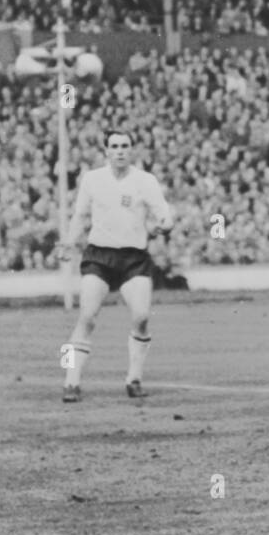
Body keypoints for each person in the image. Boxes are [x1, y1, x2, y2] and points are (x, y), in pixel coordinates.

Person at [58, 131, 174, 402]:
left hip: (134, 258)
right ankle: (71, 382)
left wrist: (164, 225)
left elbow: (164, 214)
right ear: (106, 151)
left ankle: (134, 379)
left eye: (124, 146)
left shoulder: (145, 181)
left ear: (132, 150)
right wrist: (69, 243)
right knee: (87, 316)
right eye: (114, 146)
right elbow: (80, 215)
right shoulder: (93, 179)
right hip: (99, 256)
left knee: (142, 316)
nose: (120, 151)